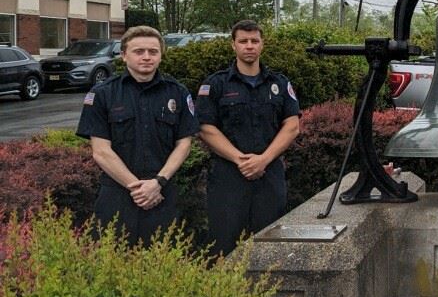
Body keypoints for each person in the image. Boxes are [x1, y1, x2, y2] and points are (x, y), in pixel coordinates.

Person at [76, 26, 198, 245]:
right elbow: (101, 152)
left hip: (162, 193)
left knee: (164, 268)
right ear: (124, 55)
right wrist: (138, 188)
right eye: (138, 51)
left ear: (161, 55)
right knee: (112, 266)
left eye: (153, 51)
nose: (146, 57)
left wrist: (158, 183)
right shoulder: (102, 94)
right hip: (117, 194)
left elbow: (184, 144)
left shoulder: (177, 92)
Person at [197, 20, 300, 256]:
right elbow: (205, 128)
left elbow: (292, 126)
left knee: (270, 248)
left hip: (269, 175)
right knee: (224, 246)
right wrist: (241, 160)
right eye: (243, 41)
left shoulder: (279, 83)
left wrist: (263, 160)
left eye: (254, 41)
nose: (249, 46)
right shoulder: (215, 84)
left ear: (262, 44)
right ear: (233, 45)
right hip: (228, 177)